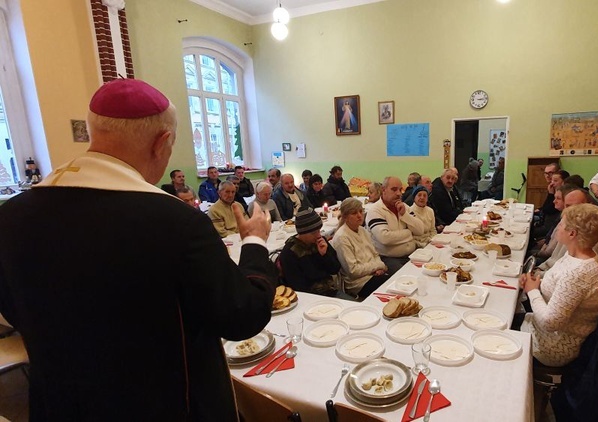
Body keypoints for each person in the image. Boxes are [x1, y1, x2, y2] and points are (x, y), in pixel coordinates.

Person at [0, 78, 276, 420]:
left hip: (62, 401)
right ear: (161, 143)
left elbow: (13, 306)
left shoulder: (11, 214)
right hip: (163, 402)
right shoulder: (175, 222)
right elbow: (241, 314)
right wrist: (254, 241)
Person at [517, 203, 598, 367]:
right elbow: (561, 288)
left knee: (499, 325)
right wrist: (538, 283)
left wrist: (532, 291)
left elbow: (550, 323)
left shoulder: (578, 273)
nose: (557, 228)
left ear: (572, 233)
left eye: (561, 224)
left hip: (554, 346)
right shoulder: (576, 254)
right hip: (548, 329)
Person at [537, 188, 598, 293]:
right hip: (551, 277)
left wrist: (537, 279)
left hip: (565, 287)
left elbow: (568, 277)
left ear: (588, 205)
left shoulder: (591, 232)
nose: (568, 211)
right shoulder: (571, 225)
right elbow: (557, 262)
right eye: (566, 206)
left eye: (573, 206)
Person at [331, 198, 390, 299]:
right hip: (358, 283)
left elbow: (375, 254)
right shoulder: (342, 237)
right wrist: (378, 266)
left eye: (360, 211)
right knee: (389, 287)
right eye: (354, 213)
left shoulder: (362, 230)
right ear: (345, 217)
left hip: (374, 274)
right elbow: (353, 271)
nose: (359, 215)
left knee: (394, 281)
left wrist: (379, 268)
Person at [365, 176, 424, 274]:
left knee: (432, 267)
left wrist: (405, 215)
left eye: (400, 190)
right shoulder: (375, 210)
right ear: (383, 190)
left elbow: (420, 230)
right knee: (409, 276)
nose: (398, 193)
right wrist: (409, 233)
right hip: (388, 258)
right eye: (394, 189)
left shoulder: (403, 207)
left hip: (411, 253)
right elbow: (385, 238)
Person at [279, 209, 341, 296]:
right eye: (313, 233)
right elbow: (298, 286)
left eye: (319, 230)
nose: (318, 235)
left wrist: (325, 255)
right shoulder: (290, 252)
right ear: (302, 233)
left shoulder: (320, 242)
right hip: (310, 297)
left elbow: (335, 269)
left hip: (330, 291)